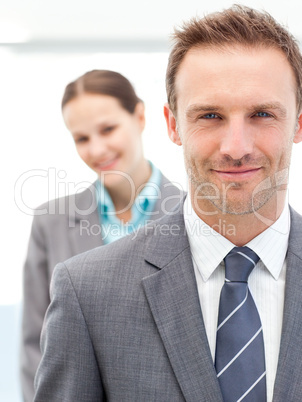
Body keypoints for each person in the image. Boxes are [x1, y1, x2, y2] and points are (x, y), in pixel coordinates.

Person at [34, 6, 302, 401]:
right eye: (210, 115)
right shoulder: (87, 293)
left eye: (262, 114)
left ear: (297, 122)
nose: (236, 148)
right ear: (173, 124)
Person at [20, 70, 183, 401]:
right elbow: (35, 345)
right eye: (81, 138)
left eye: (108, 129)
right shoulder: (49, 223)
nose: (96, 149)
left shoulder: (193, 214)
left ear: (139, 116)